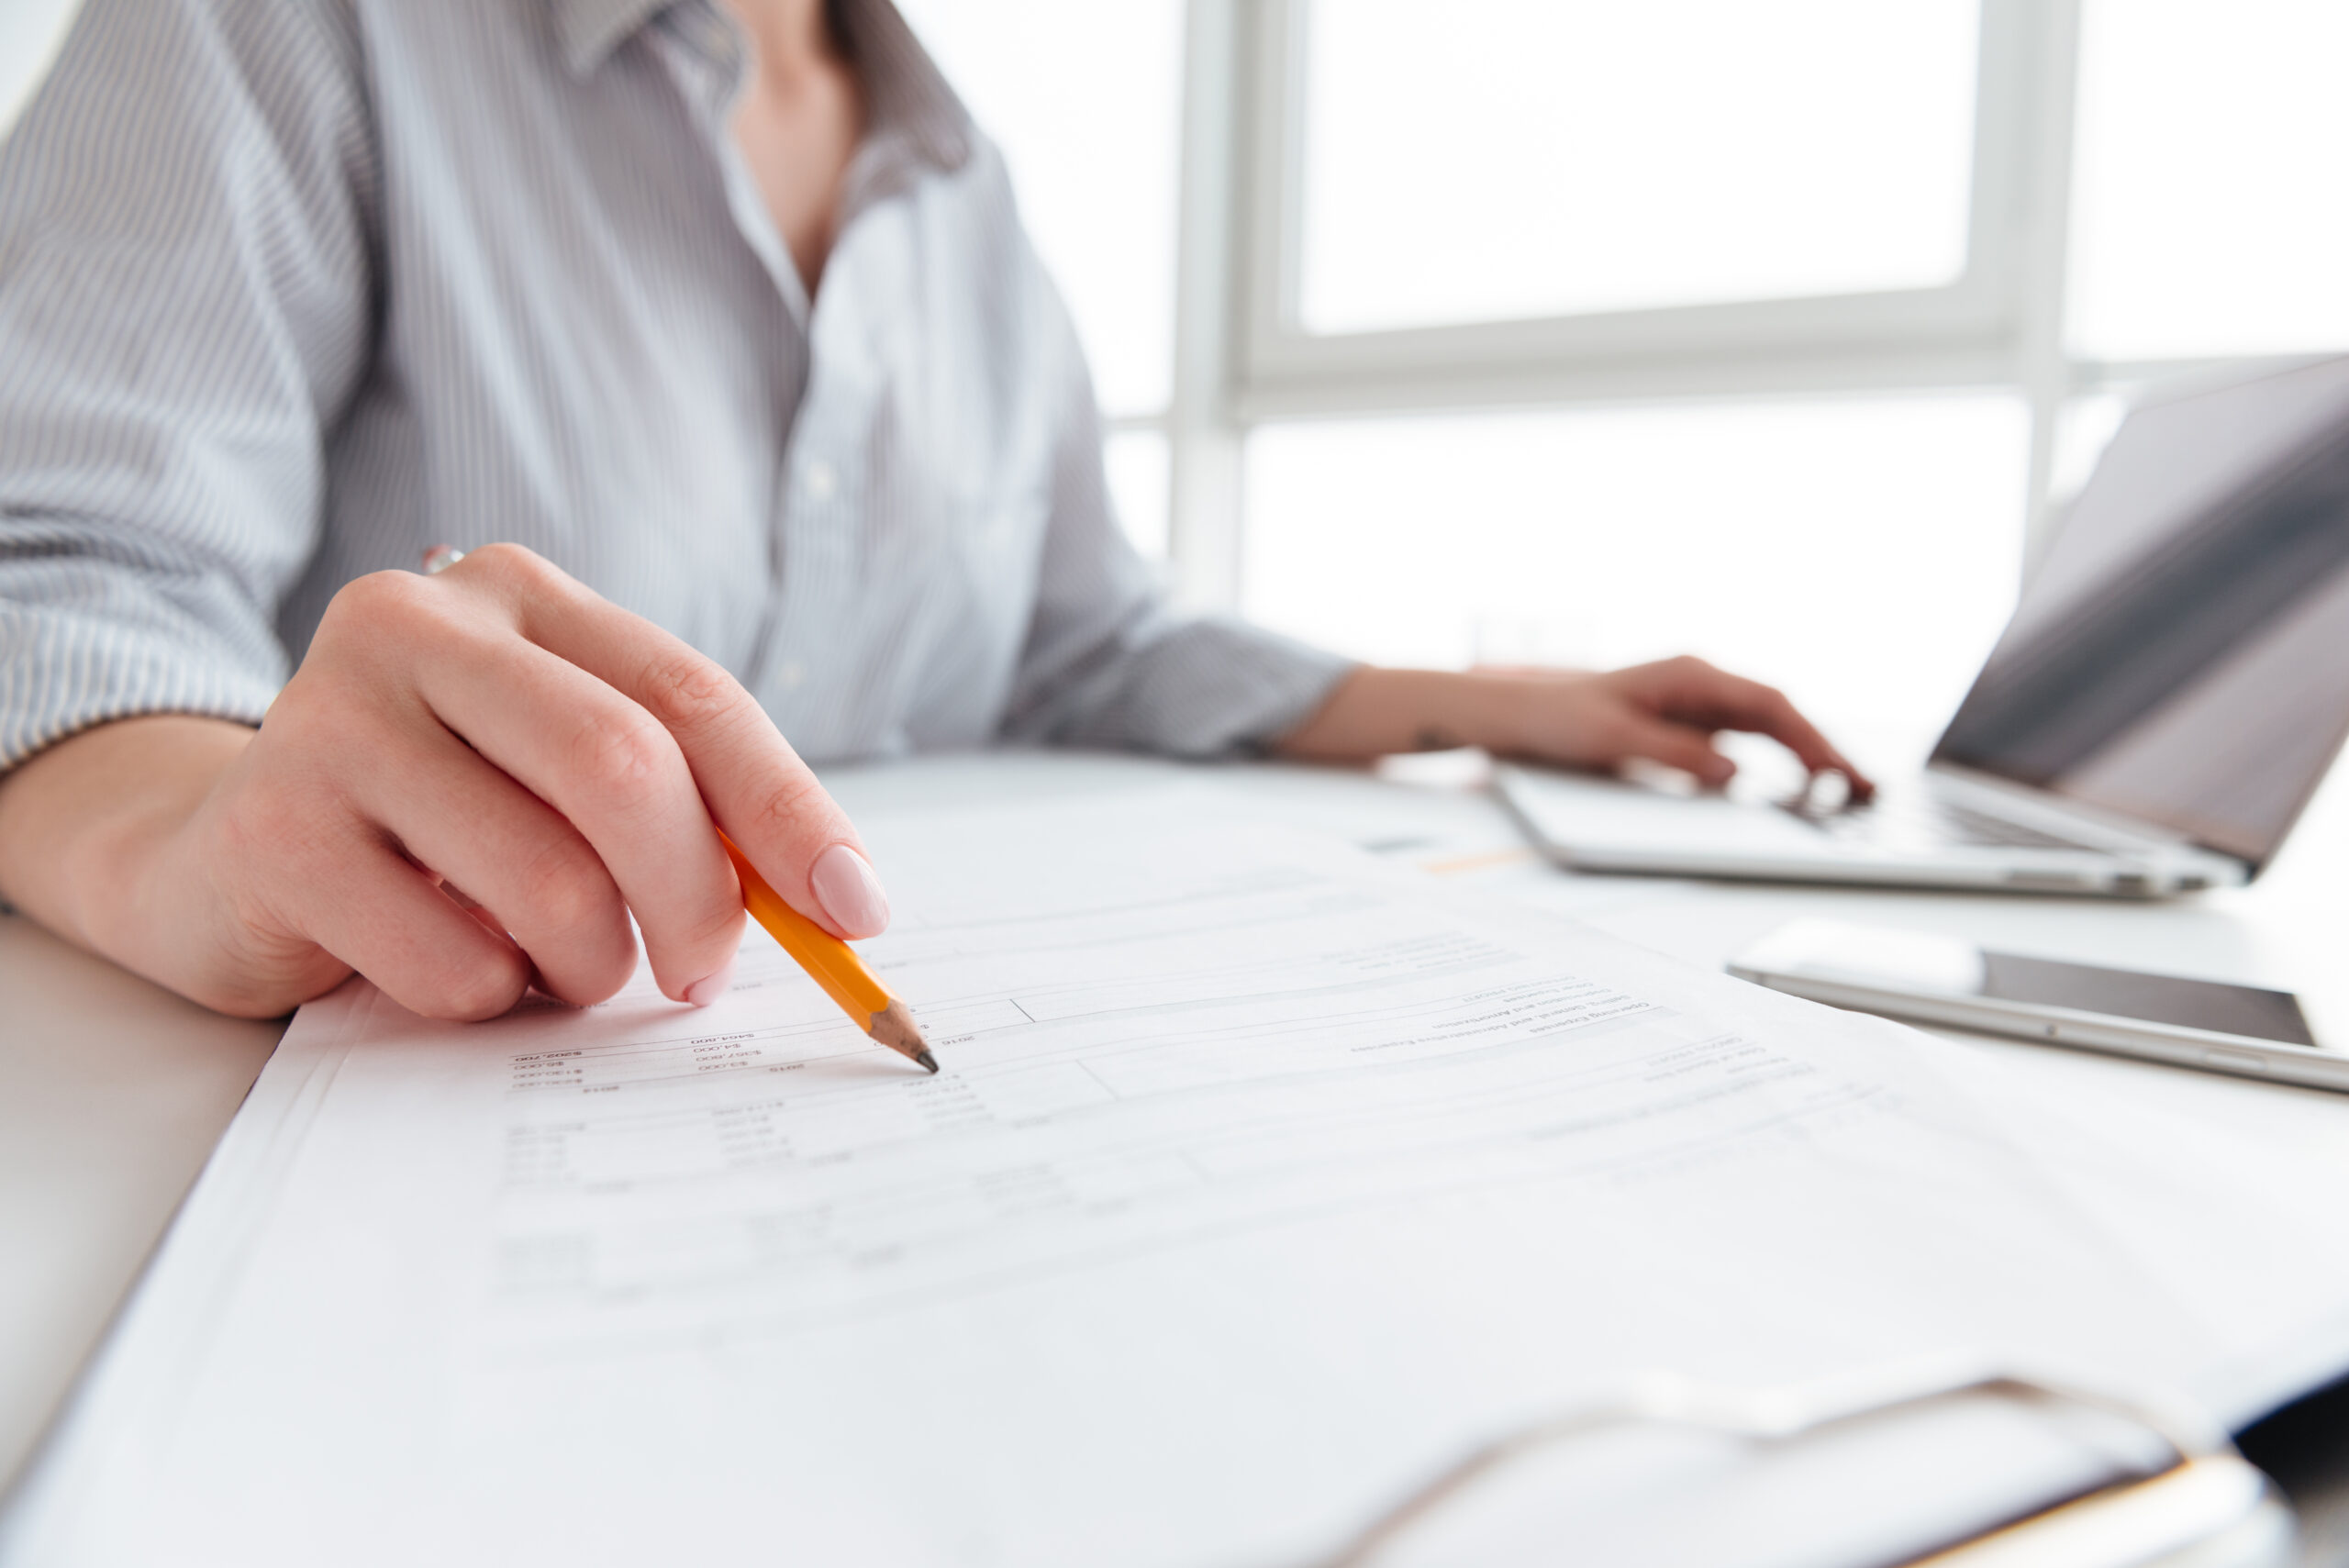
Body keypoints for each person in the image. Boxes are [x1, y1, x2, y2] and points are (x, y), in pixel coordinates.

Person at [0, 0, 1868, 1025]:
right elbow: (51, 572)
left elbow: (1080, 634)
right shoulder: (291, 26)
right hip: (367, 1081)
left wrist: (1488, 706)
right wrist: (188, 848)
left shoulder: (960, 186)